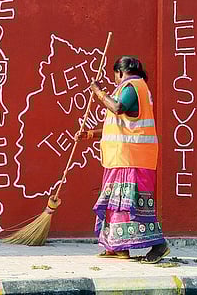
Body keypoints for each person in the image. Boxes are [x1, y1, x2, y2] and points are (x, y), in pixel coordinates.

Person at [76, 56, 170, 264]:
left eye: (115, 75)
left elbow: (118, 108)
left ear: (120, 72)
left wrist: (98, 91)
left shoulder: (133, 86)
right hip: (121, 157)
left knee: (132, 205)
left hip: (132, 158)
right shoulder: (131, 88)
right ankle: (117, 246)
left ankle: (158, 244)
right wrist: (91, 134)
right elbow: (118, 125)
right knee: (116, 203)